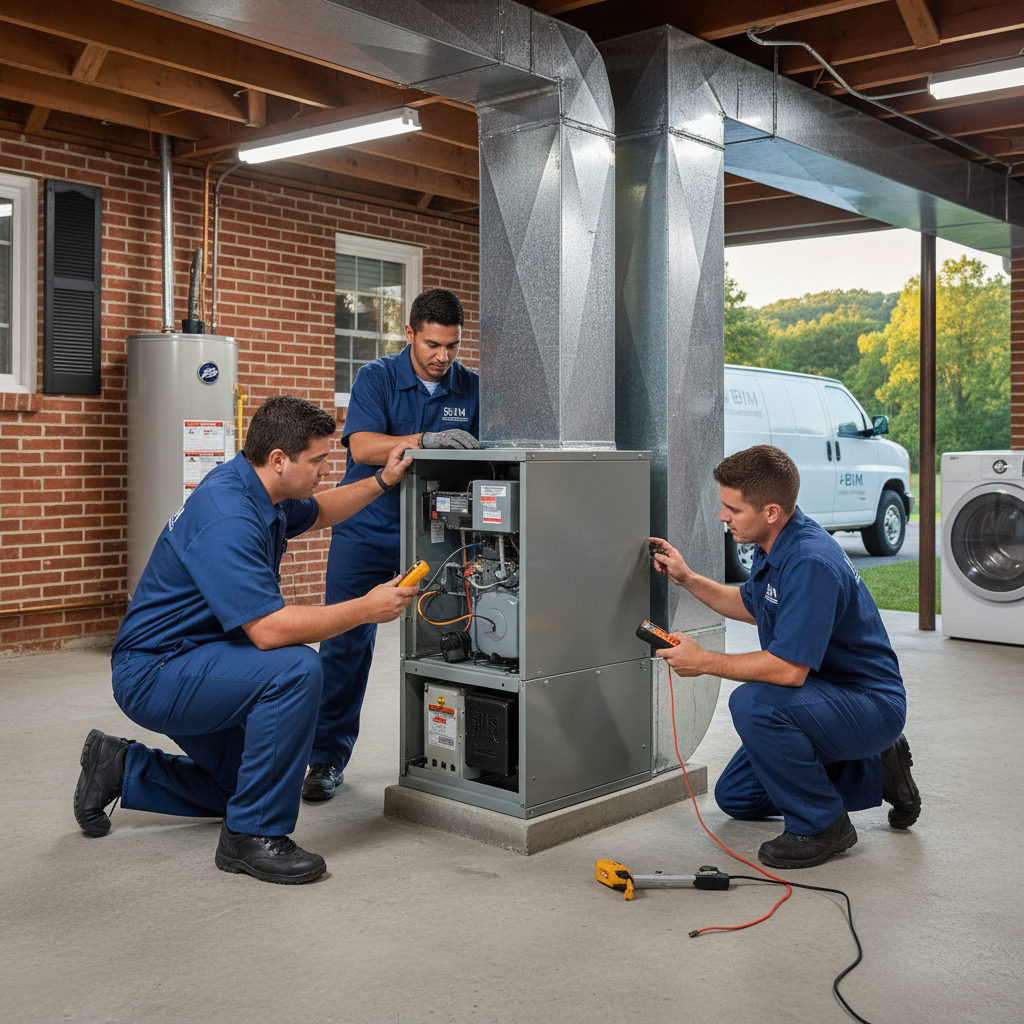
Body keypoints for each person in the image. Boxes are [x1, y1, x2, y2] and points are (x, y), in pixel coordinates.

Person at [74, 396, 419, 884]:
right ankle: (251, 837)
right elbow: (269, 629)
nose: (327, 469)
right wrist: (367, 608)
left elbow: (320, 511)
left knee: (245, 783)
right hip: (155, 672)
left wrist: (383, 480)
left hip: (198, 657)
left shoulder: (257, 489)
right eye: (319, 460)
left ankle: (121, 768)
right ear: (279, 459)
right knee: (296, 669)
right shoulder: (230, 516)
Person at [650, 444, 921, 869]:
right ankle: (876, 764)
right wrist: (687, 579)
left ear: (771, 511)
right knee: (737, 796)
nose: (724, 517)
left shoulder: (810, 561)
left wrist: (704, 661)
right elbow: (749, 602)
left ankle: (823, 824)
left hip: (868, 702)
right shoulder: (774, 541)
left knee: (753, 703)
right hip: (827, 694)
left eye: (732, 509)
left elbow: (789, 670)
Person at [305, 288, 481, 801]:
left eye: (451, 346)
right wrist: (423, 440)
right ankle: (324, 759)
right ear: (409, 334)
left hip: (438, 534)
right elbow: (361, 444)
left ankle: (453, 756)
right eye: (431, 344)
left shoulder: (470, 387)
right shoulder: (376, 378)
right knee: (343, 644)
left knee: (451, 639)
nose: (442, 357)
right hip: (367, 528)